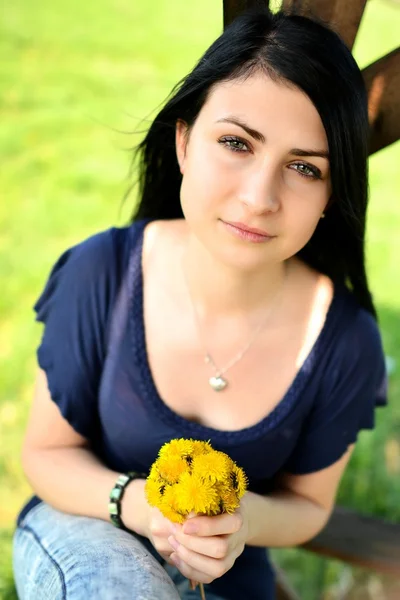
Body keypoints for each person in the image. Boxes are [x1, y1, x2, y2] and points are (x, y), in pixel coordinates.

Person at [13, 6, 388, 600]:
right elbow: (46, 452)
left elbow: (308, 505)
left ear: (330, 193)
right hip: (88, 530)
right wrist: (142, 507)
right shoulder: (104, 273)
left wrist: (238, 525)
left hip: (231, 582)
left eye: (302, 167)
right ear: (185, 141)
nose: (259, 196)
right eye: (237, 143)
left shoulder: (343, 341)